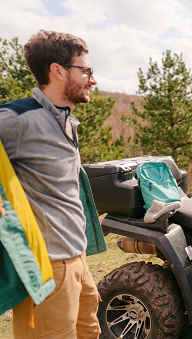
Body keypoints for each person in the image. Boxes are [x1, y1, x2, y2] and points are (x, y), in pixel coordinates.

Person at [0, 30, 101, 338]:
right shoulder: (18, 119)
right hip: (46, 267)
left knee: (90, 333)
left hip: (78, 262)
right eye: (85, 71)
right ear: (57, 71)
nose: (92, 80)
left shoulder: (67, 121)